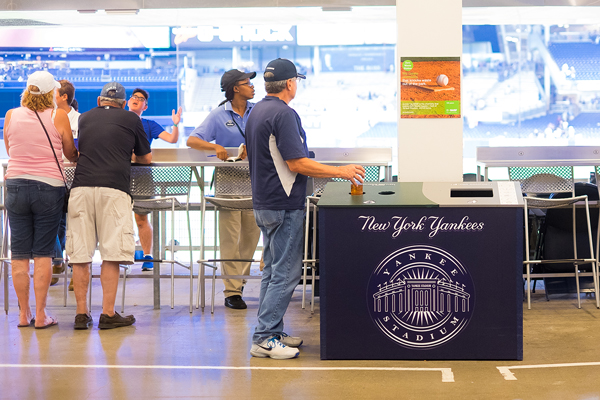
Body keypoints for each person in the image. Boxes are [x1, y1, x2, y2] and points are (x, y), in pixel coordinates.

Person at [246, 58, 365, 359]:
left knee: (273, 271)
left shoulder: (256, 111)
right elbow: (296, 163)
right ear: (290, 83)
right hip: (283, 204)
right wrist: (342, 171)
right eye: (296, 81)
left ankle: (271, 330)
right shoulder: (284, 114)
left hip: (264, 202)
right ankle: (264, 338)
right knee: (286, 273)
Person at [67, 82, 152, 330]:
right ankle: (108, 313)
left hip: (81, 188)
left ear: (99, 100)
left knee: (80, 255)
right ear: (124, 104)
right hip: (114, 189)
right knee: (112, 255)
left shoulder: (84, 118)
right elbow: (145, 158)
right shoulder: (131, 118)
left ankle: (81, 314)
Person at [3, 71, 78, 329]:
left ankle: (24, 315)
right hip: (48, 187)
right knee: (43, 253)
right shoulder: (59, 115)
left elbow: (11, 149)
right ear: (50, 93)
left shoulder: (11, 115)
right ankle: (41, 314)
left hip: (15, 185)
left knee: (19, 254)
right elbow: (69, 151)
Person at [186, 69, 261, 310]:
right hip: (228, 184)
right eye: (247, 83)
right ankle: (232, 291)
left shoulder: (258, 111)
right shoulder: (218, 114)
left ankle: (239, 283)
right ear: (235, 88)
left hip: (255, 183)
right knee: (230, 238)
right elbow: (192, 140)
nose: (252, 86)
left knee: (251, 237)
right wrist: (215, 146)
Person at [127, 88, 182, 271]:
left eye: (141, 98)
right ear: (127, 101)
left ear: (145, 106)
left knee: (141, 217)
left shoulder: (149, 124)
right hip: (120, 173)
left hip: (142, 175)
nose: (136, 99)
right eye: (134, 97)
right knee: (119, 217)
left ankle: (147, 256)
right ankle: (122, 255)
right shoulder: (119, 121)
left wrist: (175, 124)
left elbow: (172, 139)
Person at [51, 79, 81, 286]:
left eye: (54, 92)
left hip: (77, 177)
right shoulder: (47, 117)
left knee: (75, 224)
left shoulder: (80, 120)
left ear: (64, 97)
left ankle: (75, 269)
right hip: (53, 176)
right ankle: (57, 260)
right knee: (54, 221)